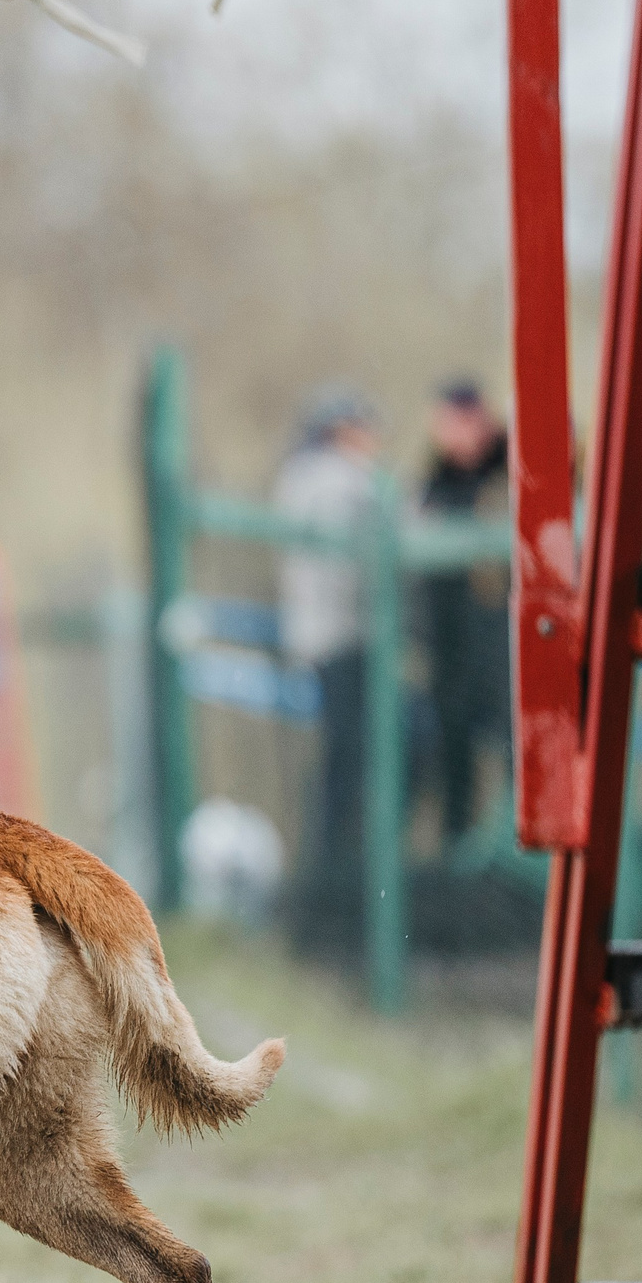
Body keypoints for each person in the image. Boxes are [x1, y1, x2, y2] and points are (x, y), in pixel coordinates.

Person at [274, 385, 383, 951]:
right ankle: (338, 878)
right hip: (346, 639)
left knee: (336, 764)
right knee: (349, 766)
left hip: (315, 639)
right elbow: (365, 559)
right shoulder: (340, 482)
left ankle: (329, 874)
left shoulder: (297, 479)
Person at [416, 380, 510, 842]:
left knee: (517, 750)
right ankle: (460, 853)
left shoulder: (509, 465)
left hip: (506, 643)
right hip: (452, 648)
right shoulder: (435, 481)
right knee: (455, 758)